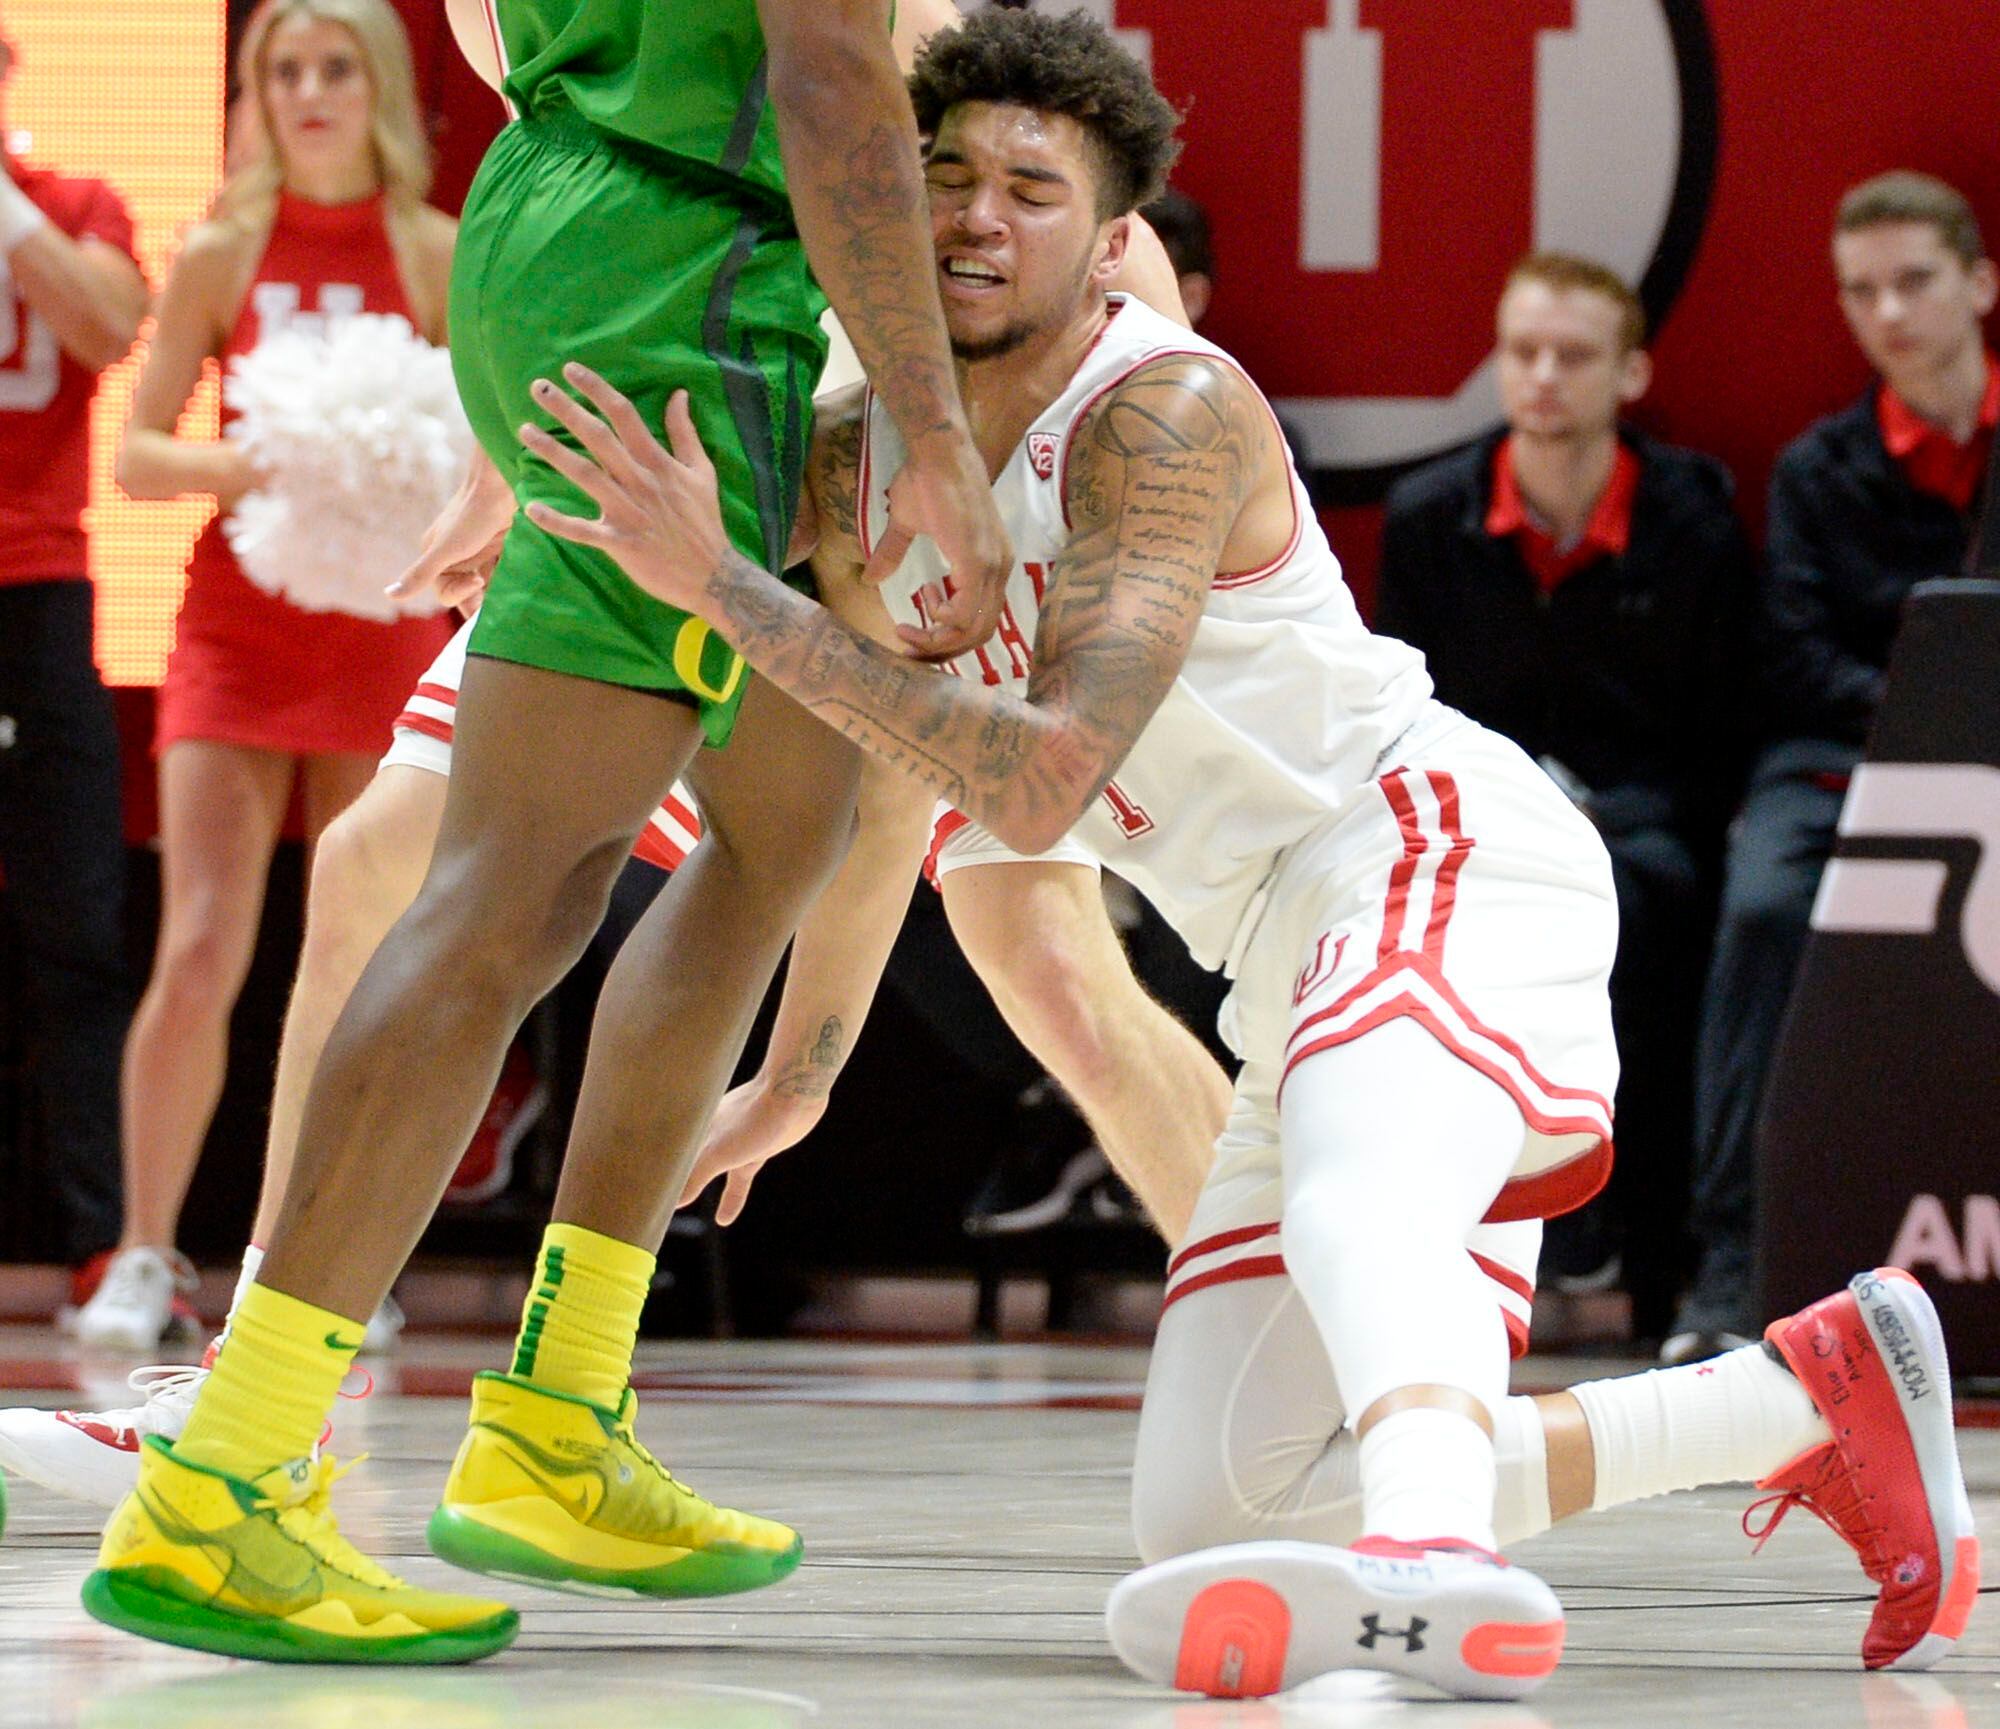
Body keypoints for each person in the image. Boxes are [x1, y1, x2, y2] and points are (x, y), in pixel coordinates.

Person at [521, 11, 1979, 1698]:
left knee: (1365, 1207)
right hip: (1294, 964)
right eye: (943, 179)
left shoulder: (1165, 409)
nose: (980, 216)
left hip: (1427, 853)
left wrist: (733, 593)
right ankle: (1803, 1395)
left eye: (1033, 187)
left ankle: (1432, 1560)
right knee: (1213, 1508)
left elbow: (1045, 777)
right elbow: (897, 793)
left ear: (1116, 235)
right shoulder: (868, 462)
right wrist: (804, 1066)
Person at [82, 0, 1010, 1669]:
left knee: (783, 816)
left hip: (633, 244)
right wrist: (935, 428)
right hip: (677, 280)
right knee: (513, 885)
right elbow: (824, 69)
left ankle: (556, 1417)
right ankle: (227, 1468)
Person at [69, 0, 458, 1354]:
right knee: (198, 947)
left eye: (334, 66)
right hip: (237, 626)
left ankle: (322, 1260)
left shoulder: (437, 249)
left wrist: (402, 482)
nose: (307, 91)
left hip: (384, 625)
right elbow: (139, 455)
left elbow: (487, 452)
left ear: (381, 86)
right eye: (282, 69)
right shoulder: (223, 246)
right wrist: (276, 462)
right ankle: (145, 1251)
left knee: (356, 960)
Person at [1376, 253, 1754, 1329]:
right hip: (1474, 817)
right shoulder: (1426, 517)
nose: (1541, 375)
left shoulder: (1690, 517)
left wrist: (1604, 816)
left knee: (1626, 905)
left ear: (1629, 373)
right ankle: (1469, 1227)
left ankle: (1589, 1210)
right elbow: (1400, 709)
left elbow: (1719, 724)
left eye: (1573, 355)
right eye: (1521, 351)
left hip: (1643, 824)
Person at [1672, 171, 1997, 1361]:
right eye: (1859, 291)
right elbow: (1797, 655)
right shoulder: (1820, 469)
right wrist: (1926, 715)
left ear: (1977, 284)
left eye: (1912, 281)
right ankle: (1725, 1265)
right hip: (1845, 764)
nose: (1887, 312)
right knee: (1761, 908)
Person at [0, 12, 147, 1316]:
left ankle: (109, 1238)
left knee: (77, 932)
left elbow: (109, 328)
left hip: (40, 591)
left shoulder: (77, 201)